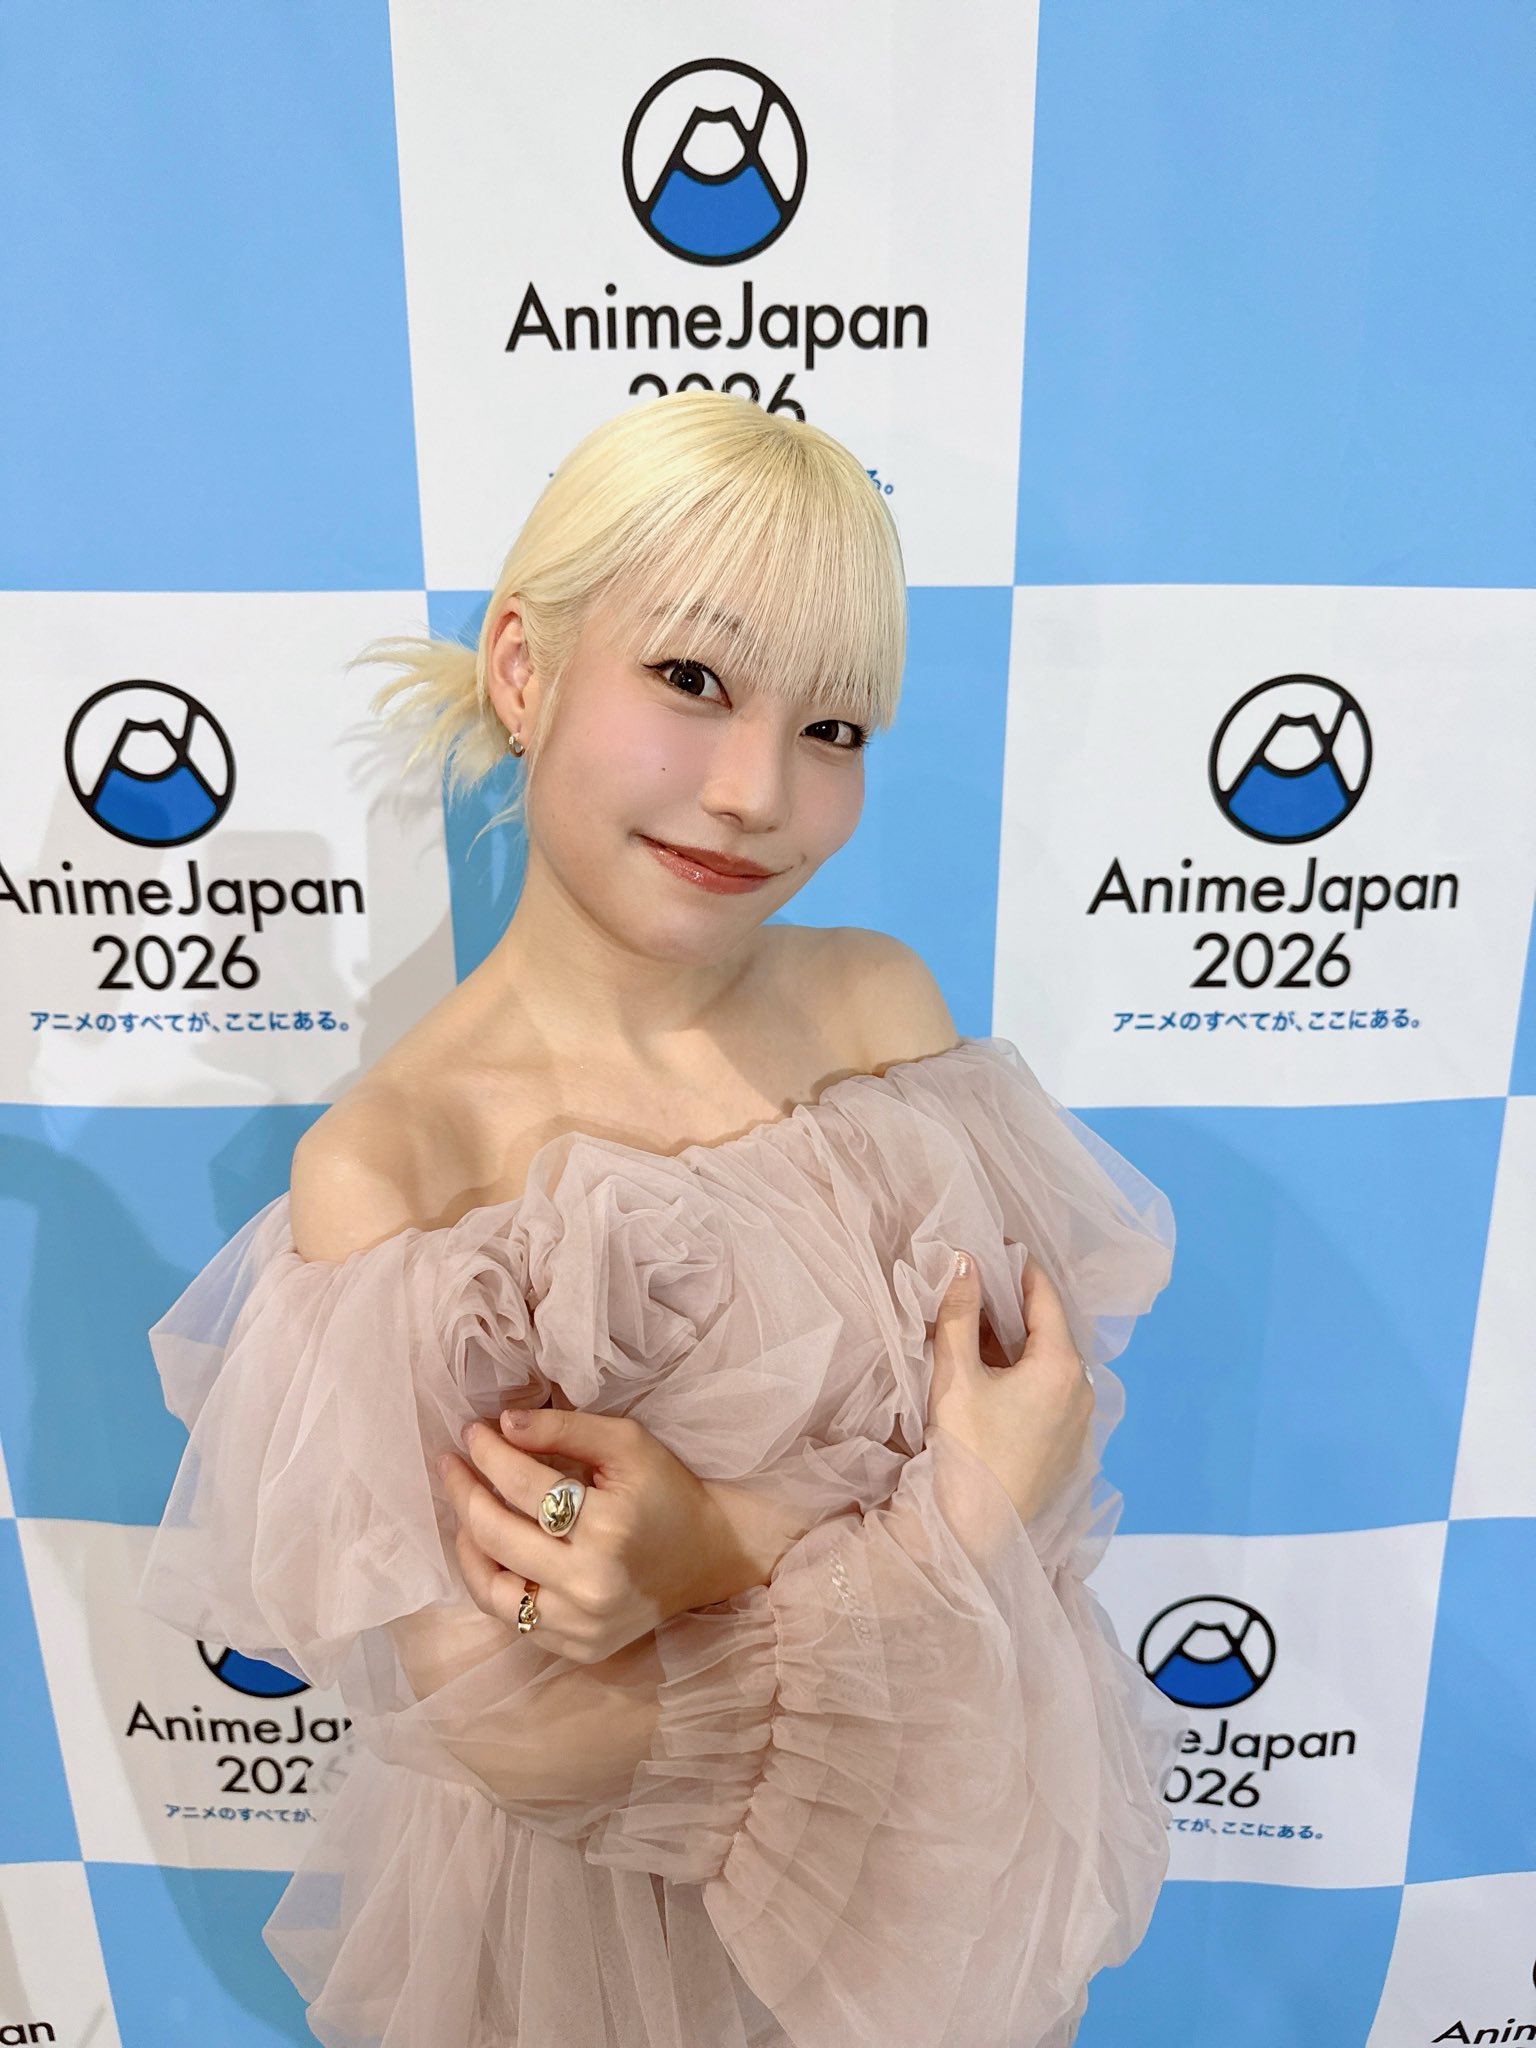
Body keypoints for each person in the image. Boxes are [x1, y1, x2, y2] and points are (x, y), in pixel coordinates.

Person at [137, 388, 1186, 2048]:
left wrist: (716, 1555)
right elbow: (535, 1742)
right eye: (693, 681)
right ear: (524, 667)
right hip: (608, 1967)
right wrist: (935, 1517)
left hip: (943, 1880)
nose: (758, 791)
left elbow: (1044, 1460)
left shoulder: (883, 1013)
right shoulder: (404, 1174)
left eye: (833, 728)